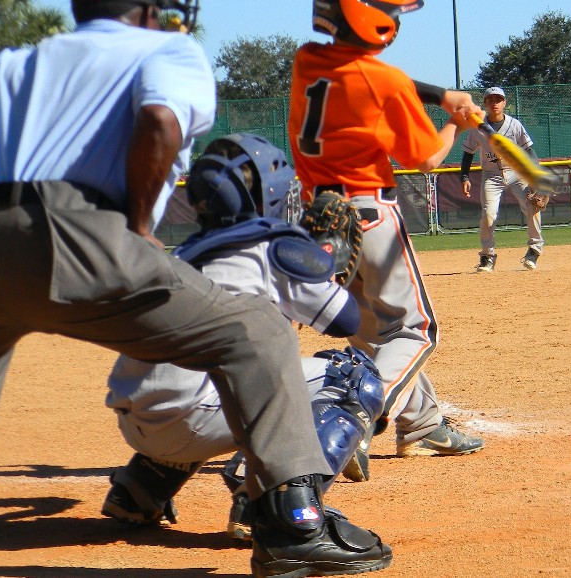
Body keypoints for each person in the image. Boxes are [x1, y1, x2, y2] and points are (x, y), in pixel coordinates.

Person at [0, 0, 391, 577]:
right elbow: (158, 122)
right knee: (255, 332)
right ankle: (290, 521)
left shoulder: (22, 60)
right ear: (148, 12)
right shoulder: (168, 49)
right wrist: (132, 223)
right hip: (84, 231)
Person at [101, 134, 384, 543]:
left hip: (140, 420)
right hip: (196, 417)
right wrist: (328, 267)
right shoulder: (271, 247)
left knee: (212, 374)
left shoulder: (182, 255)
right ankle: (269, 503)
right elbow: (346, 320)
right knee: (355, 377)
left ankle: (140, 490)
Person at [287, 0, 486, 483]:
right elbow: (425, 158)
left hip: (318, 216)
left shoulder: (307, 59)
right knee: (417, 330)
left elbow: (377, 76)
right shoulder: (387, 83)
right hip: (370, 217)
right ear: (376, 18)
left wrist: (442, 93)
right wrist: (454, 124)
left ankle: (423, 422)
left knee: (373, 329)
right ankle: (352, 420)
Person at [460, 86, 545, 272]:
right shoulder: (477, 127)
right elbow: (468, 152)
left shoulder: (515, 125)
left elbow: (529, 151)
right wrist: (464, 176)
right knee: (488, 214)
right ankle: (487, 257)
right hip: (491, 176)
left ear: (505, 103)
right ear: (485, 104)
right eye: (490, 99)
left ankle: (534, 250)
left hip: (517, 172)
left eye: (498, 99)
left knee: (532, 207)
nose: (495, 103)